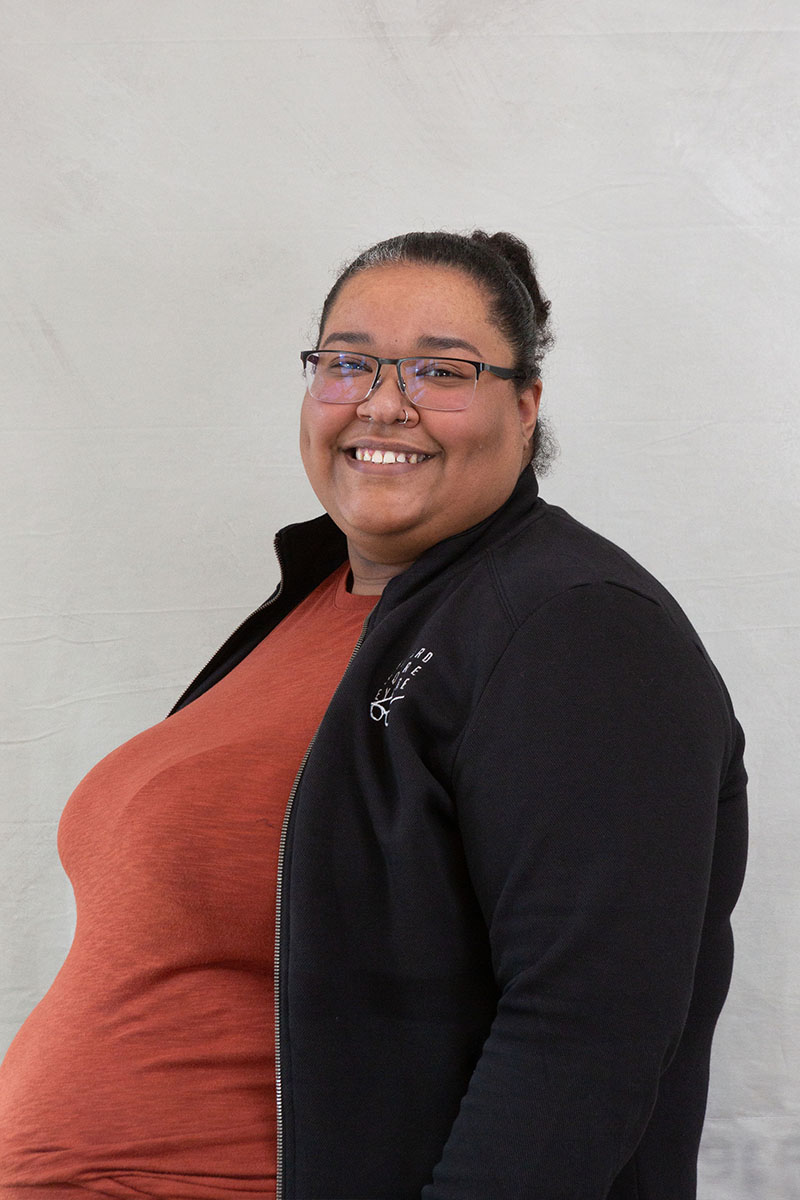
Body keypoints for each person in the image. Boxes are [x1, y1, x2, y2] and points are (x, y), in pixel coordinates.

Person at [0, 230, 748, 1200]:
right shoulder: (318, 605)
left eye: (440, 369)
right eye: (346, 362)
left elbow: (584, 1035)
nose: (381, 401)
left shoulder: (575, 624)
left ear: (524, 407)